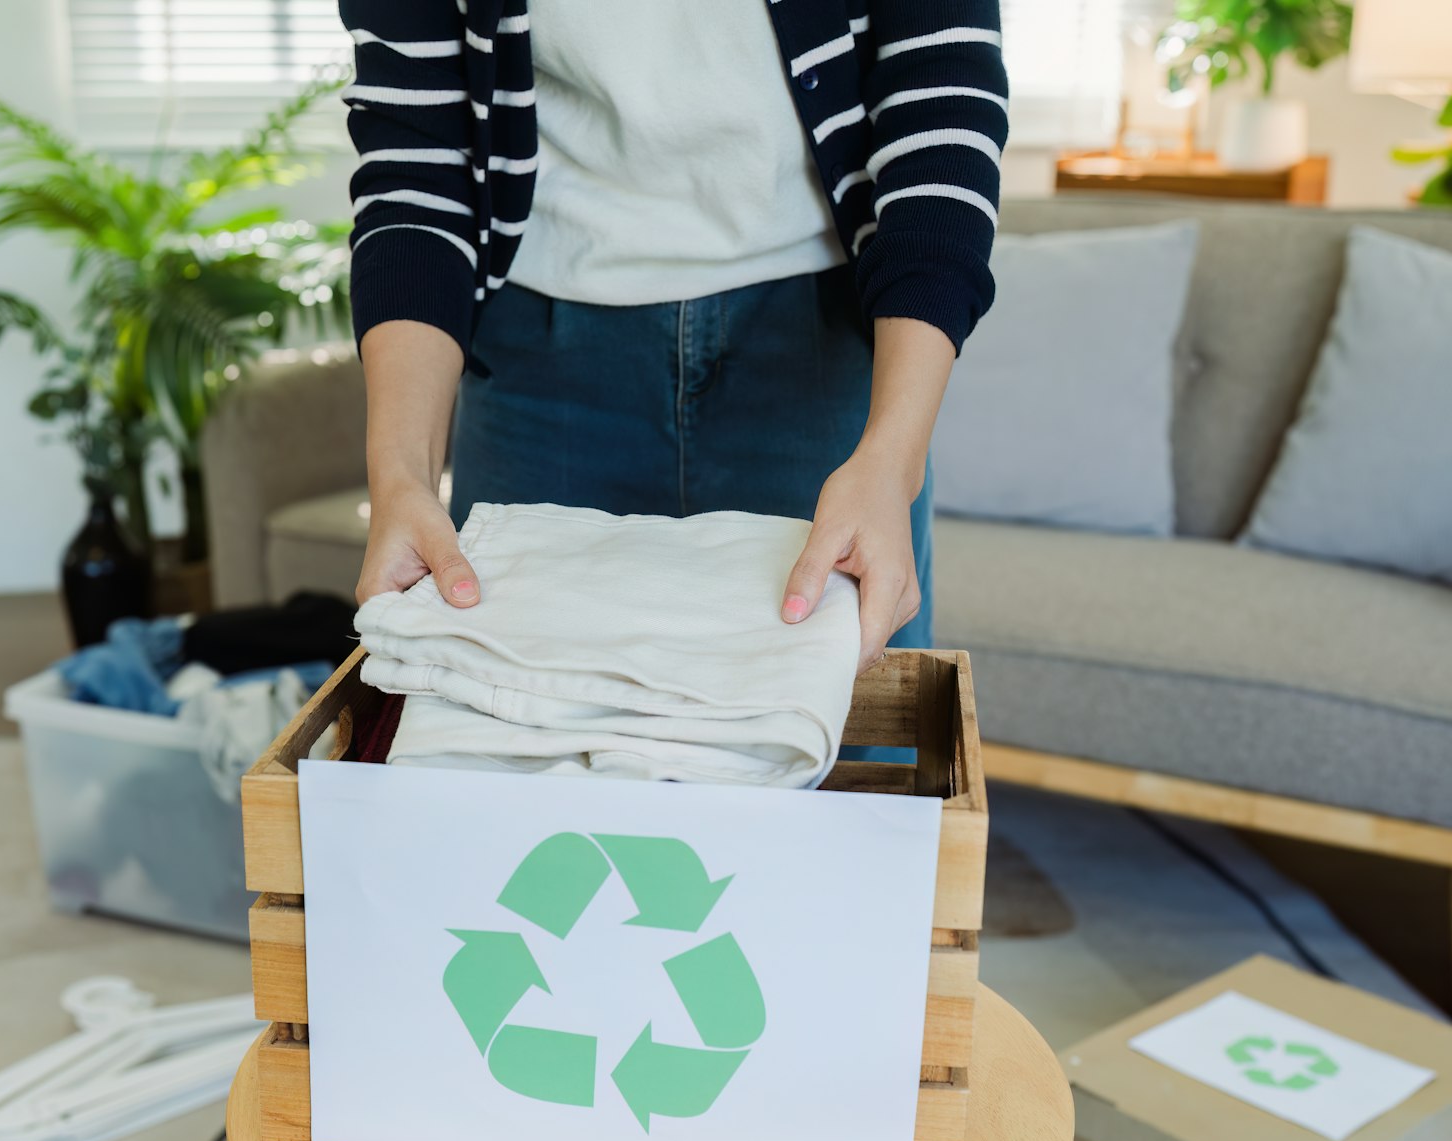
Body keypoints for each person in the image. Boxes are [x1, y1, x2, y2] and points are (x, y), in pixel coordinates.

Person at [343, 0, 1008, 671]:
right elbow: (416, 159)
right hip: (537, 364)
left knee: (852, 749)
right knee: (504, 748)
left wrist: (893, 459)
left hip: (819, 351)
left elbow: (941, 102)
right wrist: (402, 476)